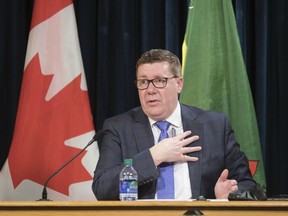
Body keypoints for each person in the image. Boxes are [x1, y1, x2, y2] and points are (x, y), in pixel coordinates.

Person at [92, 49, 256, 200]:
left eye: (159, 81)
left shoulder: (215, 125)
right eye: (143, 82)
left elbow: (247, 184)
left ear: (179, 84)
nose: (150, 90)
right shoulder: (119, 128)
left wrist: (228, 195)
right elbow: (103, 189)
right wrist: (154, 156)